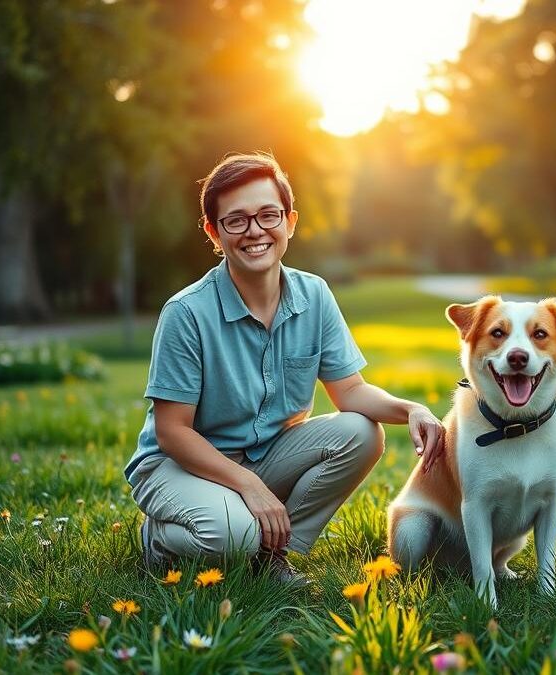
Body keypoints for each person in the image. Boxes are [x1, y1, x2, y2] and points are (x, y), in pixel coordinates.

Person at [124, 152, 445, 580]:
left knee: (361, 432)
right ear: (213, 233)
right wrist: (250, 486)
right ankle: (159, 538)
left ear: (290, 222)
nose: (255, 231)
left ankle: (270, 557)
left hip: (266, 454)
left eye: (268, 215)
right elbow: (173, 431)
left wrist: (413, 411)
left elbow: (349, 392)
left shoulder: (314, 295)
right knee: (232, 535)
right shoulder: (187, 312)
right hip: (182, 466)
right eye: (235, 220)